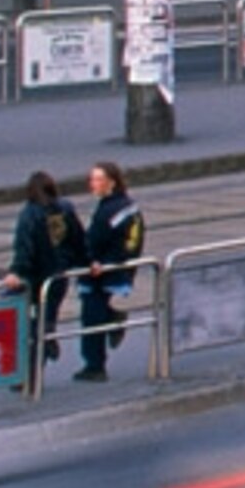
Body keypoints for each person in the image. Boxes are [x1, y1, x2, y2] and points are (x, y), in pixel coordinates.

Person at [0, 171, 77, 369]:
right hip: (58, 277)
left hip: (35, 278)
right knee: (45, 319)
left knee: (23, 321)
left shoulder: (30, 214)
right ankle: (46, 343)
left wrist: (17, 271)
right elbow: (77, 240)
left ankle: (29, 374)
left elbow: (25, 248)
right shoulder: (65, 209)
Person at [75, 161, 142, 383]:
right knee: (98, 312)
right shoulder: (128, 206)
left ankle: (94, 366)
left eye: (97, 179)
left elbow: (94, 241)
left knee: (91, 317)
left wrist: (93, 262)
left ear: (111, 182)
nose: (92, 184)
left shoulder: (108, 211)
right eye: (91, 179)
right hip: (117, 269)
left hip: (101, 273)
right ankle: (113, 319)